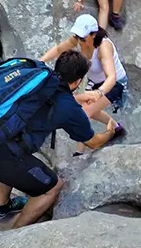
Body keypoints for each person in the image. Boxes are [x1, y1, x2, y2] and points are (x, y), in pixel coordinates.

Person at [0, 51, 117, 227]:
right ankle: (13, 237)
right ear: (77, 82)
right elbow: (94, 142)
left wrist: (78, 99)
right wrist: (110, 131)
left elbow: (46, 102)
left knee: (13, 145)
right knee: (52, 187)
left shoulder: (38, 75)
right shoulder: (70, 110)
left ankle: (2, 208)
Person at [41, 15, 129, 152]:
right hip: (95, 81)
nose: (79, 41)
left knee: (83, 112)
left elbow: (111, 76)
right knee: (90, 109)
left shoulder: (103, 47)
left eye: (83, 38)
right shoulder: (77, 40)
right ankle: (116, 127)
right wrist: (40, 63)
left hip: (114, 83)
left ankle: (79, 152)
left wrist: (99, 93)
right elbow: (58, 50)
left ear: (94, 35)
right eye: (77, 36)